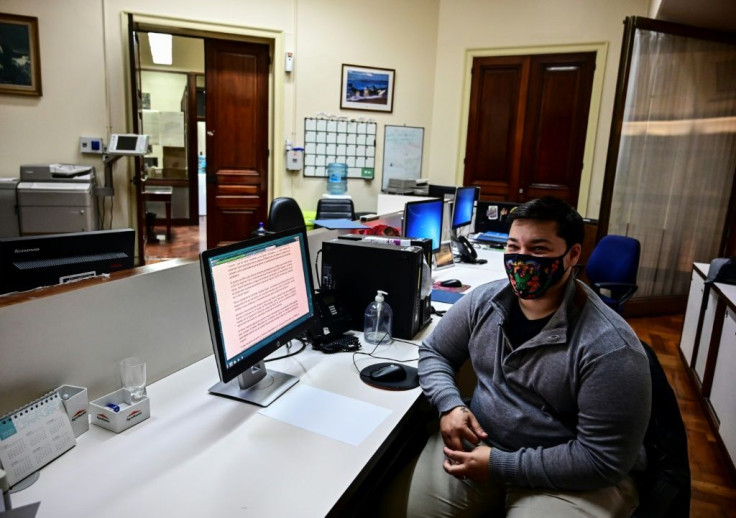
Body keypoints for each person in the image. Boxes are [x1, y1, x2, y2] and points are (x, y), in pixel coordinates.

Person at [385, 196, 651, 518]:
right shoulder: (484, 301)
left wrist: (501, 464)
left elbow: (601, 460)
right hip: (481, 445)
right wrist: (449, 405)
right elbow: (435, 351)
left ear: (573, 255)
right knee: (402, 511)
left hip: (568, 475)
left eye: (538, 250)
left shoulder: (611, 348)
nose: (521, 260)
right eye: (513, 247)